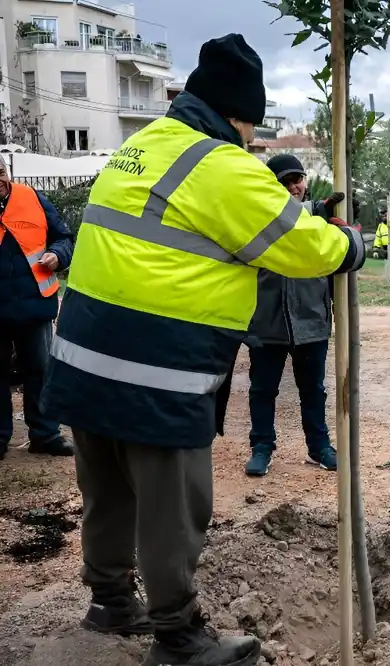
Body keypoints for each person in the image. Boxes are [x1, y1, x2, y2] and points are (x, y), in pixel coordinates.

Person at [41, 34, 365, 666]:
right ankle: (179, 634)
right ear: (238, 114)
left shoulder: (141, 147)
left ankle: (109, 600)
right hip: (154, 363)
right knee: (171, 500)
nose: (250, 137)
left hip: (81, 353)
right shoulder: (219, 165)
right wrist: (348, 244)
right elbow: (297, 244)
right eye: (251, 124)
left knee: (106, 485)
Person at [244, 154, 346, 478]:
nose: (294, 188)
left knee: (313, 390)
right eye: (285, 183)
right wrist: (315, 211)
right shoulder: (256, 219)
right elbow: (284, 220)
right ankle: (261, 447)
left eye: (297, 180)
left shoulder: (321, 220)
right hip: (266, 322)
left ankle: (319, 447)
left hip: (310, 320)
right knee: (262, 389)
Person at [0, 154, 74, 460]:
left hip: (35, 308)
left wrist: (58, 254)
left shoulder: (32, 199)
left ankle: (45, 434)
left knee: (41, 372)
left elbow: (64, 237)